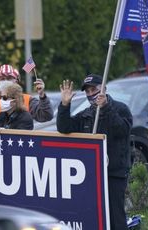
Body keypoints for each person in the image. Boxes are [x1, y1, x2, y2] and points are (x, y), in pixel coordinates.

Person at [56, 74, 133, 230]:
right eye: (88, 91)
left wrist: (106, 108)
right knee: (94, 215)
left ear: (103, 88)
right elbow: (64, 128)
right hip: (92, 175)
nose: (91, 94)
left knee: (115, 217)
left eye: (94, 89)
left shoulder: (120, 108)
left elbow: (122, 131)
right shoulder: (87, 113)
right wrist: (64, 105)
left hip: (113, 174)